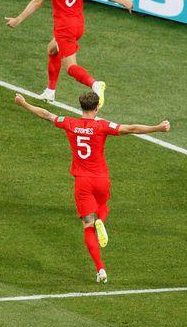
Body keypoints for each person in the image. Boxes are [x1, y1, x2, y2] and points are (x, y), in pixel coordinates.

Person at [14, 91, 170, 283]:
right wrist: (158, 127)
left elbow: (46, 114)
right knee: (103, 206)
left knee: (87, 225)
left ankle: (100, 270)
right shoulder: (102, 126)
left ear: (81, 107)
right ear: (97, 107)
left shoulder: (70, 123)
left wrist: (24, 103)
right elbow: (131, 128)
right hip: (101, 179)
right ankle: (102, 220)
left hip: (82, 181)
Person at [5, 0, 133, 106]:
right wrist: (124, 2)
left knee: (71, 67)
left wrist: (18, 19)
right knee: (52, 49)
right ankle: (50, 92)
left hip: (64, 28)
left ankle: (95, 84)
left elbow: (37, 1)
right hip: (78, 25)